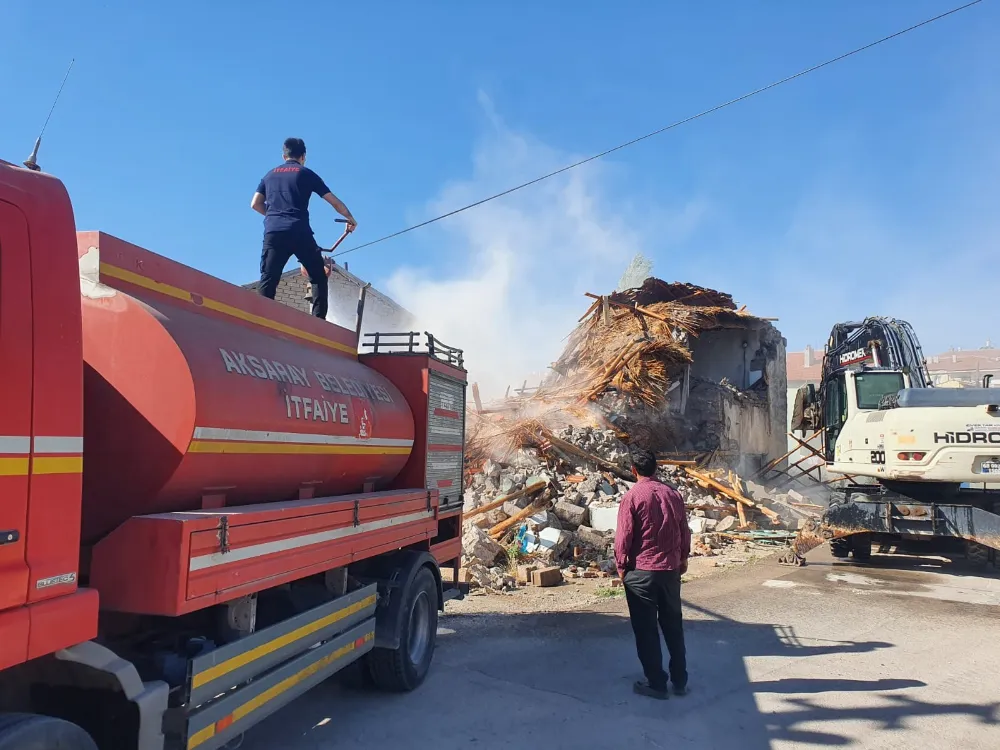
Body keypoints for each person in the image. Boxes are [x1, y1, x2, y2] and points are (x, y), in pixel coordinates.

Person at [614, 445, 691, 700]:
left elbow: (624, 536)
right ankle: (679, 681)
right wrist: (683, 557)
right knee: (673, 626)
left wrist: (622, 567)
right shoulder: (673, 494)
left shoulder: (632, 497)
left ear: (633, 470)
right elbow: (684, 529)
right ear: (656, 468)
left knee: (646, 630)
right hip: (670, 571)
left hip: (642, 573)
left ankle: (656, 683)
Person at [251, 138, 357, 319]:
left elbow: (255, 204)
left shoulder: (269, 176)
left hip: (274, 233)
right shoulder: (306, 173)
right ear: (303, 157)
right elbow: (333, 201)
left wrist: (274, 215)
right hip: (299, 232)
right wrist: (350, 218)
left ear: (284, 155)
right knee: (318, 277)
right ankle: (318, 323)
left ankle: (260, 321)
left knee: (268, 279)